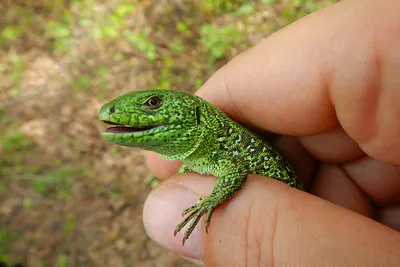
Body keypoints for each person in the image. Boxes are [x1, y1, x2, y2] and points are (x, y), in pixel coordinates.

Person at [143, 0, 400, 265]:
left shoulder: (218, 149)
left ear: (191, 113)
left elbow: (234, 172)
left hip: (298, 206)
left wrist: (208, 204)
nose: (150, 108)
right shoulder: (198, 158)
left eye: (153, 103)